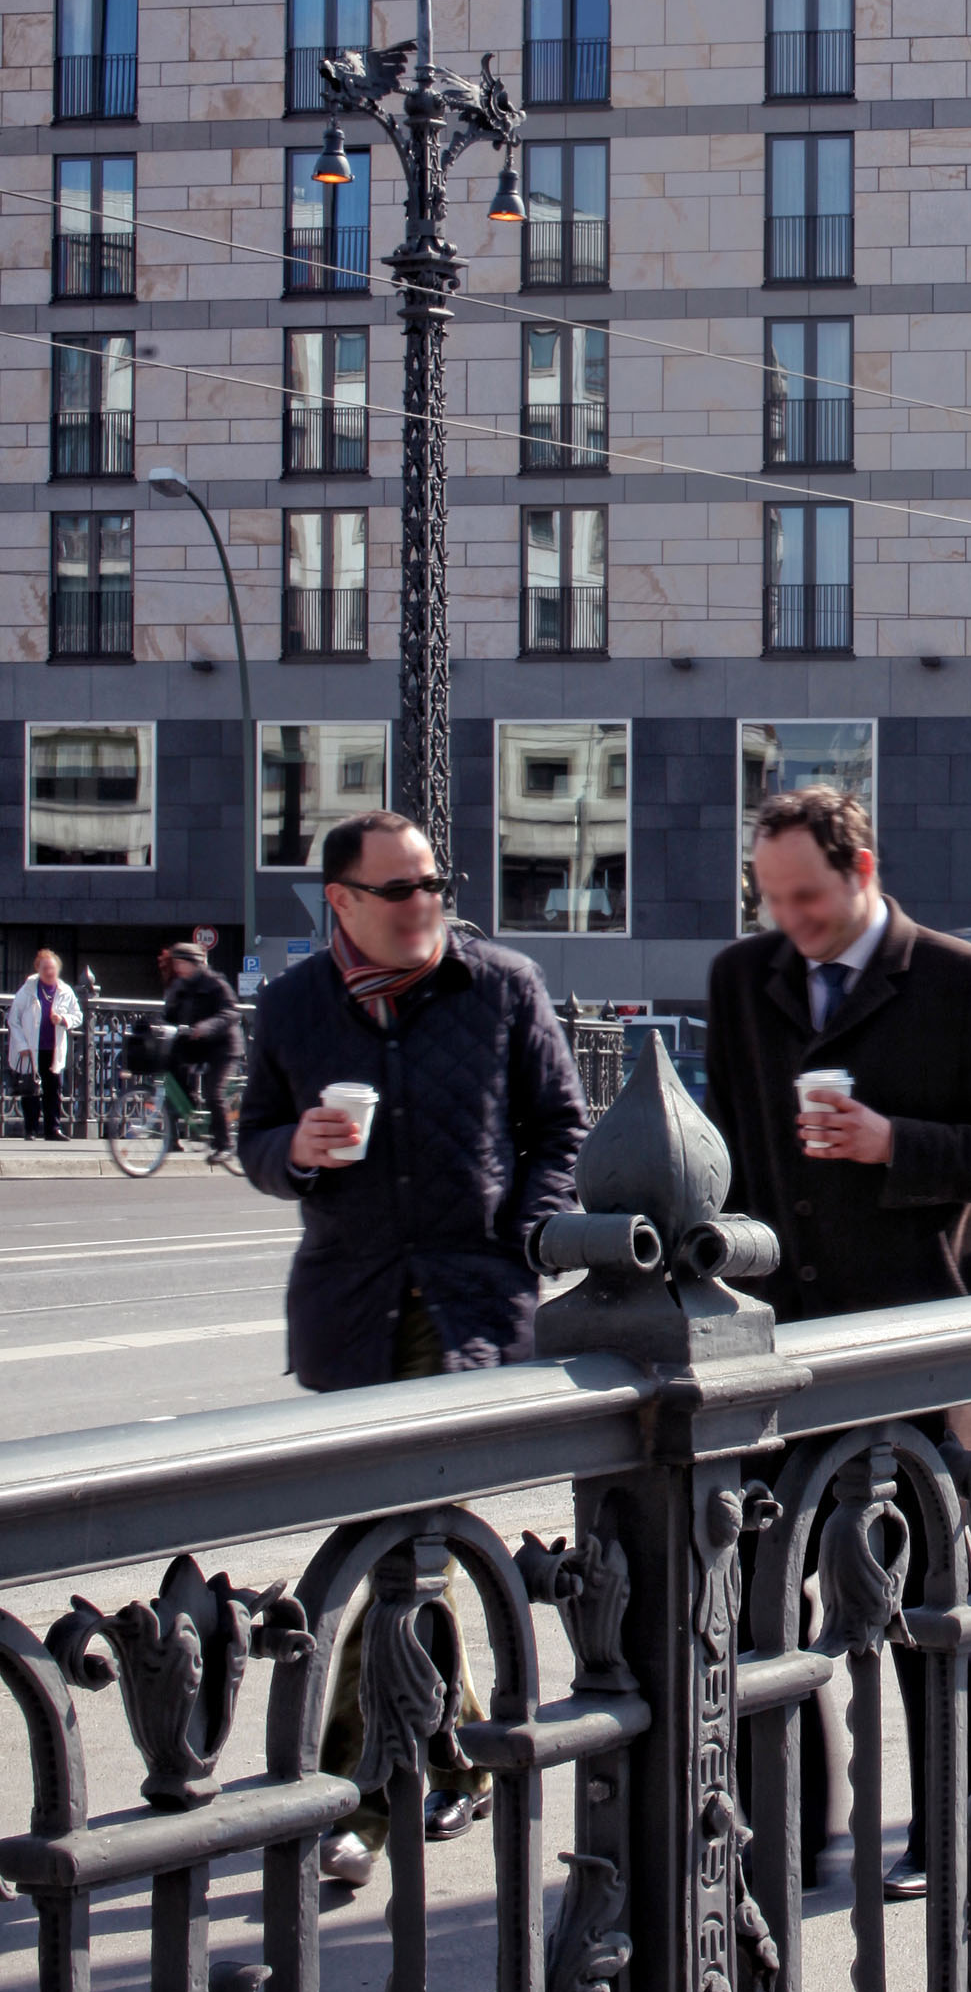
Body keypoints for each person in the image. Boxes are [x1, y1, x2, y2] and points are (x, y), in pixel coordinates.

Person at [705, 785, 971, 1888]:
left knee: (918, 1598)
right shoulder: (743, 978)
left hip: (918, 1345)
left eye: (807, 898)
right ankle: (787, 1828)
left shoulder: (963, 979)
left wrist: (891, 1143)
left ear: (862, 871)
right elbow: (725, 1146)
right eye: (772, 899)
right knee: (763, 1591)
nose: (791, 921)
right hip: (783, 1346)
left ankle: (950, 1821)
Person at [239, 810, 588, 1891]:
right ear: (340, 901)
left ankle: (350, 1796)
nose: (425, 903)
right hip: (353, 1303)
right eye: (398, 889)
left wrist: (529, 1231)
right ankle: (459, 1750)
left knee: (392, 1539)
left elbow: (561, 1128)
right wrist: (295, 1150)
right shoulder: (294, 1006)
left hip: (468, 1301)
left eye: (435, 882)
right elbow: (253, 1139)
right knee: (411, 1542)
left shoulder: (502, 987)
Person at [158, 940, 243, 1163]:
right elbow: (168, 1013)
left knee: (214, 1092)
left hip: (223, 1046)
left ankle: (225, 1145)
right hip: (196, 1045)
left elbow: (231, 1013)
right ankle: (181, 1125)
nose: (178, 968)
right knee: (172, 1074)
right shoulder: (180, 986)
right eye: (176, 963)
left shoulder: (215, 983)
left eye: (181, 963)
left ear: (193, 963)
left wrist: (208, 1026)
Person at [8, 948, 81, 1142]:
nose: (49, 972)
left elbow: (78, 1016)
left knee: (53, 1088)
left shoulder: (65, 991)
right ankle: (30, 1129)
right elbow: (13, 1019)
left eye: (52, 968)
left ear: (58, 969)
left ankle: (53, 1129)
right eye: (45, 968)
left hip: (53, 1048)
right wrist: (21, 1044)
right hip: (31, 1048)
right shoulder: (27, 990)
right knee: (31, 1088)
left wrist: (63, 1019)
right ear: (38, 970)